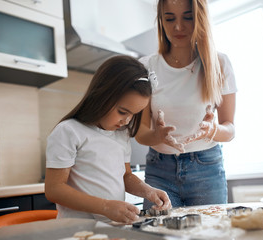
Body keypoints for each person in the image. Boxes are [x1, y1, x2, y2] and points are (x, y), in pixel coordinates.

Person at [44, 55, 171, 224]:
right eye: (122, 112)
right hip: (77, 230)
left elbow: (126, 176)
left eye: (134, 114)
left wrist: (148, 191)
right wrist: (105, 206)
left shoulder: (122, 134)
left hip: (112, 229)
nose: (126, 121)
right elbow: (54, 189)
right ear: (102, 95)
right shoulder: (69, 131)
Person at [135, 0, 237, 208]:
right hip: (159, 170)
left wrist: (213, 129)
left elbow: (230, 129)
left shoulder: (219, 63)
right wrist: (158, 136)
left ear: (200, 19)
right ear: (161, 21)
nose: (178, 27)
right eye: (169, 18)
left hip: (206, 168)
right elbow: (141, 133)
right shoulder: (146, 67)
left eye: (188, 17)